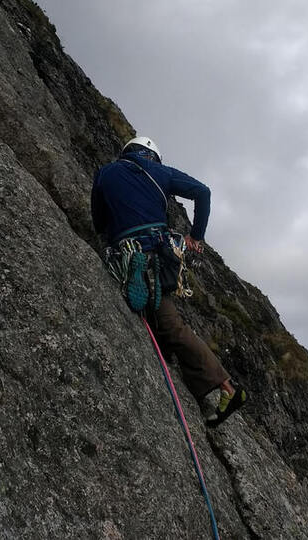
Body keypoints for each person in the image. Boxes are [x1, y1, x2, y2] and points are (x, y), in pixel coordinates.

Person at [91, 136, 246, 426]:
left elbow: (99, 223)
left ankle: (210, 380)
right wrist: (196, 236)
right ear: (152, 156)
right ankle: (227, 387)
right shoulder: (161, 173)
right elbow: (203, 192)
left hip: (126, 246)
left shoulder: (105, 173)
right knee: (171, 322)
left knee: (164, 318)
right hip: (161, 252)